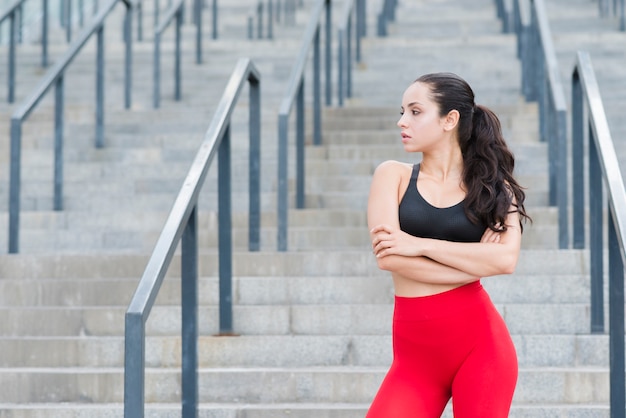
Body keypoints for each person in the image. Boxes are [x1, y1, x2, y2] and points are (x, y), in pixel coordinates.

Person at [366, 72, 531, 418]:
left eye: (414, 111)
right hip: (414, 363)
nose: (401, 122)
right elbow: (390, 258)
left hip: (482, 350)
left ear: (449, 120)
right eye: (402, 111)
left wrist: (417, 244)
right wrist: (473, 262)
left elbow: (505, 261)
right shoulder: (392, 176)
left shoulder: (494, 188)